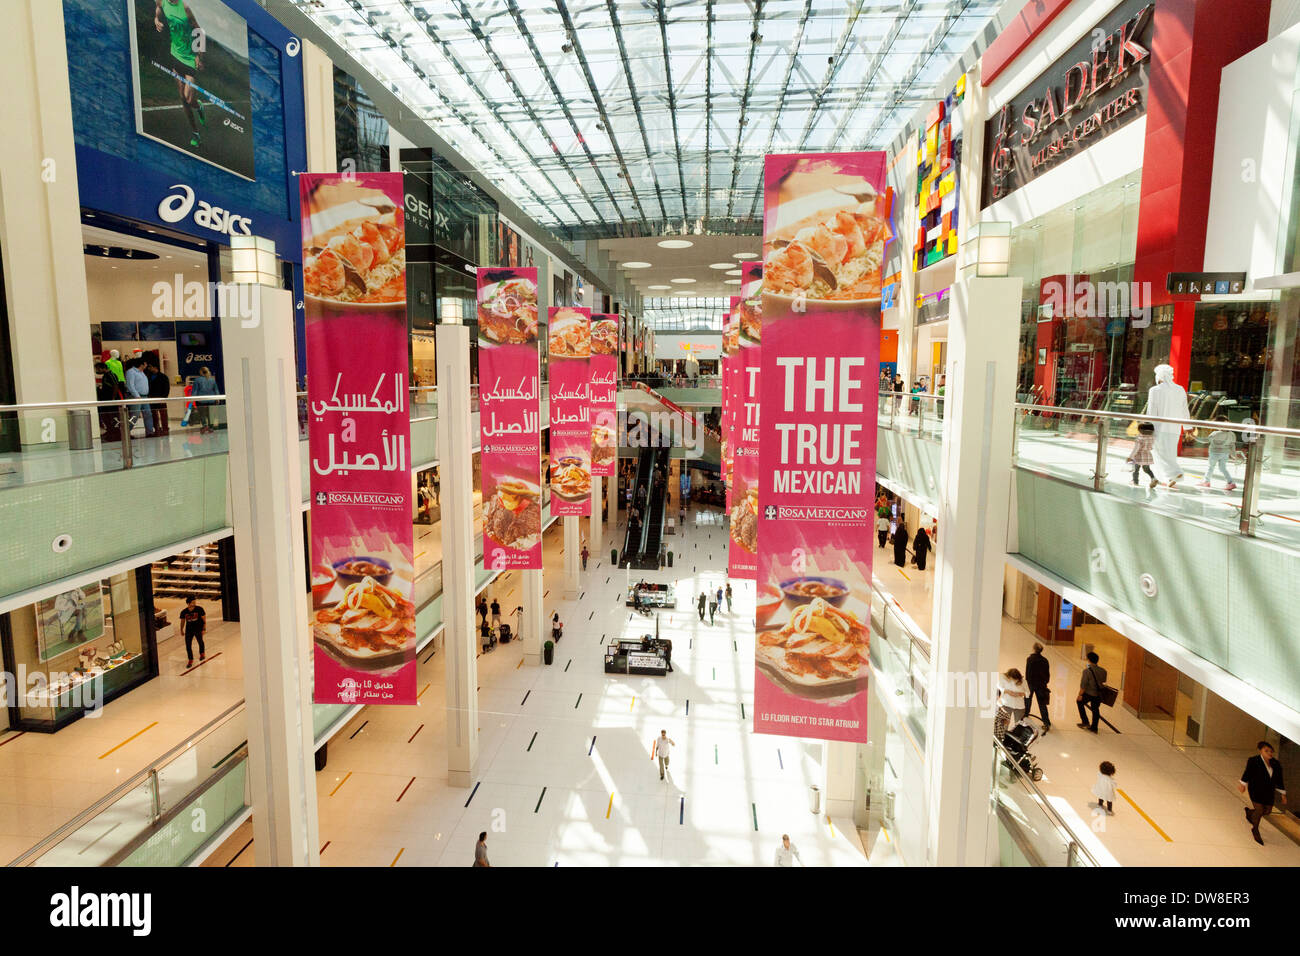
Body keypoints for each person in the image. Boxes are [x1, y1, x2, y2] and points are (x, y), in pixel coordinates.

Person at [154, 0, 208, 148]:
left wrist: (200, 56)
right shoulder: (161, 1)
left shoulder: (185, 8)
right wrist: (156, 19)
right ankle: (196, 133)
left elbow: (200, 32)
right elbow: (158, 9)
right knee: (182, 98)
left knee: (189, 98)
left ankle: (198, 107)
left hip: (190, 59)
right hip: (175, 55)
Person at [1145, 363, 1190, 487]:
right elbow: (1184, 409)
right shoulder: (1180, 389)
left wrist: (1148, 427)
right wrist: (1187, 427)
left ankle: (1176, 473)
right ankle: (1170, 478)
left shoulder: (1154, 390)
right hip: (1175, 428)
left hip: (1159, 428)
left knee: (1158, 452)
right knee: (1170, 453)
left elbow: (1151, 411)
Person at [1239, 741, 1286, 845]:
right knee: (1260, 810)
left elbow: (1279, 779)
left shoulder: (1276, 764)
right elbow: (1248, 772)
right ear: (1261, 751)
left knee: (1267, 811)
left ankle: (1250, 813)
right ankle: (1255, 830)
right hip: (1256, 789)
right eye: (1266, 751)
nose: (1269, 753)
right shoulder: (1253, 760)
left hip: (1269, 792)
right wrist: (1243, 784)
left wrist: (1283, 793)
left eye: (1271, 751)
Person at [1198, 415, 1238, 491]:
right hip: (1225, 453)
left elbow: (1205, 440)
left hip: (1214, 453)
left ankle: (1206, 482)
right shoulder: (1232, 434)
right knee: (1223, 468)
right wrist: (1234, 455)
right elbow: (1232, 445)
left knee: (1210, 467)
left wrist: (1194, 437)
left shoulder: (1215, 434)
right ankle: (1230, 482)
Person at [1076, 651, 1107, 733]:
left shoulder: (1086, 671)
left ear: (1089, 660)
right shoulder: (1103, 671)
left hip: (1089, 693)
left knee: (1079, 702)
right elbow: (1104, 681)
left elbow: (1083, 685)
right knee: (1095, 709)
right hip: (1098, 694)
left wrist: (1080, 695)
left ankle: (1085, 722)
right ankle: (1094, 727)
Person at [124, 359, 156, 437]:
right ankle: (126, 433)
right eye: (145, 364)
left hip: (144, 396)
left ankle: (149, 432)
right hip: (136, 397)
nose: (146, 365)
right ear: (142, 364)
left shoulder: (142, 372)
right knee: (135, 415)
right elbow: (130, 385)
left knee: (148, 414)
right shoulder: (131, 372)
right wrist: (136, 395)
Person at [95, 361, 126, 441]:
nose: (97, 370)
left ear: (103, 368)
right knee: (107, 417)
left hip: (112, 401)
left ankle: (116, 434)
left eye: (98, 369)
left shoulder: (111, 375)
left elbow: (116, 386)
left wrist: (113, 398)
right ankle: (110, 432)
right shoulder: (105, 376)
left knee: (113, 417)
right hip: (106, 400)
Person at [1024, 642, 1052, 732]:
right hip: (1041, 685)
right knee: (1042, 703)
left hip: (1031, 684)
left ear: (1034, 649)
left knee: (1028, 700)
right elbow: (1047, 674)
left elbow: (1027, 673)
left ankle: (1025, 715)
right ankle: (1046, 722)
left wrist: (1027, 683)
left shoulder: (1030, 659)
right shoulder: (1045, 660)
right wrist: (1045, 682)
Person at [994, 668, 1028, 741]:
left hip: (1019, 706)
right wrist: (1007, 691)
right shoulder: (1003, 677)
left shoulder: (1023, 681)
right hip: (1006, 703)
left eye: (1015, 679)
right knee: (1004, 723)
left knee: (1018, 725)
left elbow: (1028, 693)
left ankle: (1016, 740)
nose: (1013, 681)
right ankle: (1002, 739)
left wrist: (1021, 694)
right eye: (1012, 679)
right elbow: (998, 686)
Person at [1127, 421, 1157, 488]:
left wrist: (1130, 457)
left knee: (1136, 470)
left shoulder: (1139, 438)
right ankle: (1153, 478)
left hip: (1138, 456)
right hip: (1147, 455)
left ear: (1140, 430)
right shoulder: (1152, 437)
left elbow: (1136, 449)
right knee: (1147, 469)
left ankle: (1135, 482)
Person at [179, 594, 206, 667]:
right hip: (189, 630)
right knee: (188, 645)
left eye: (195, 602)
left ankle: (202, 653)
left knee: (200, 641)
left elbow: (204, 619)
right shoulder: (184, 612)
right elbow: (182, 621)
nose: (194, 603)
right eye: (193, 602)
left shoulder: (199, 609)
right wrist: (181, 629)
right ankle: (190, 659)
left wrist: (204, 629)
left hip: (198, 629)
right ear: (188, 603)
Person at [190, 366, 219, 433]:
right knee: (210, 414)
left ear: (200, 372)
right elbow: (216, 390)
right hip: (212, 400)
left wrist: (192, 399)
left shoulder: (197, 380)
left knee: (202, 414)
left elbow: (195, 391)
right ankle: (210, 427)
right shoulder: (212, 380)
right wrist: (217, 398)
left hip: (201, 400)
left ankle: (205, 426)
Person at [147, 361, 171, 436]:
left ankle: (165, 428)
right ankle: (157, 428)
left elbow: (167, 388)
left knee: (163, 414)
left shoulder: (163, 377)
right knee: (154, 414)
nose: (149, 368)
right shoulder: (149, 376)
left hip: (161, 398)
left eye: (150, 367)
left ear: (155, 367)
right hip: (152, 398)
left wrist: (164, 398)